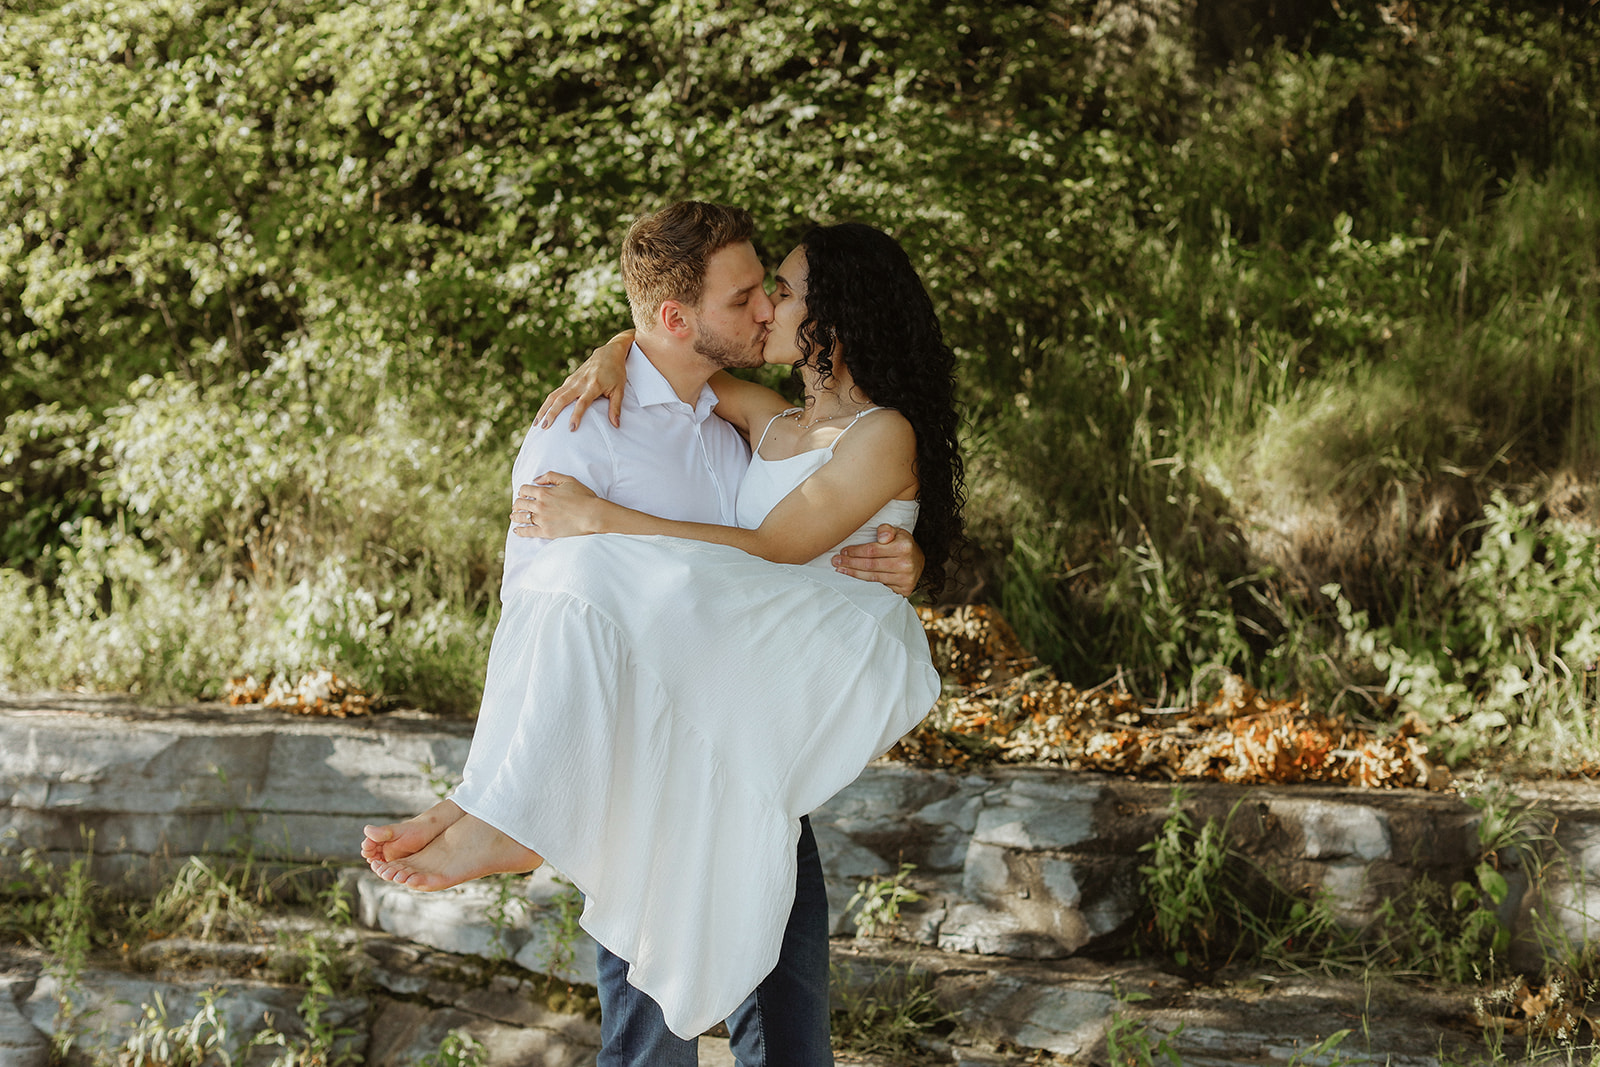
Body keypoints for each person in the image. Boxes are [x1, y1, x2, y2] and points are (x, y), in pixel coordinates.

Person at [362, 203, 963, 1061]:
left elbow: (770, 547)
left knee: (600, 561)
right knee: (715, 936)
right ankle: (493, 805)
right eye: (758, 292)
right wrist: (611, 347)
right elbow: (664, 348)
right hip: (680, 716)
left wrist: (600, 519)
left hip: (774, 663)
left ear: (837, 316)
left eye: (780, 290)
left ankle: (506, 817)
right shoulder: (757, 416)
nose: (766, 306)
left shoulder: (874, 430)